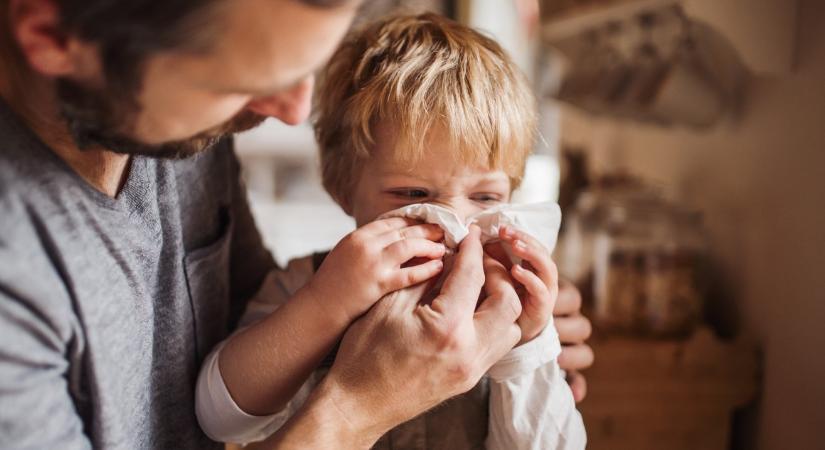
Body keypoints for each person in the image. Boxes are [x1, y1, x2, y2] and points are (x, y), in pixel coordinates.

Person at [0, 0, 593, 449]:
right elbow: (226, 402)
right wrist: (360, 399)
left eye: (486, 195)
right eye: (241, 81)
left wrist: (530, 347)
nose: (292, 111)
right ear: (53, 37)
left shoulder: (181, 127)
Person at [195, 13, 586, 450]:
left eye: (486, 199)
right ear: (343, 188)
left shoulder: (504, 306)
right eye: (414, 193)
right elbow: (220, 420)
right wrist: (326, 303)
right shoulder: (308, 284)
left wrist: (527, 348)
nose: (454, 225)